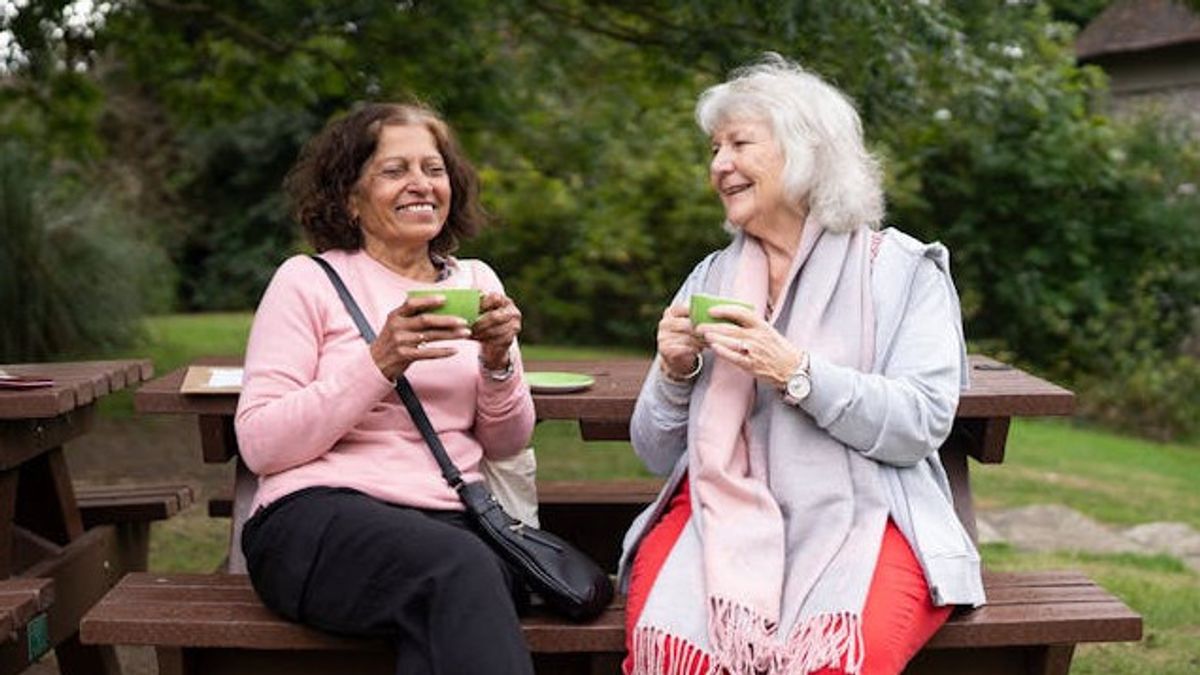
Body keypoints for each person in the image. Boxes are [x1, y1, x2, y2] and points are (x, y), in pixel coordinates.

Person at [619, 55, 984, 675]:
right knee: (678, 658)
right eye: (714, 149)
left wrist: (796, 371)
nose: (719, 165)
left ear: (805, 151)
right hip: (717, 520)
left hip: (870, 514)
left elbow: (920, 423)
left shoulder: (901, 271)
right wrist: (675, 371)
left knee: (831, 664)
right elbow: (657, 453)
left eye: (739, 144)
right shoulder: (711, 279)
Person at [234, 102, 536, 675]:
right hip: (317, 517)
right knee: (459, 573)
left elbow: (506, 442)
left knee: (457, 595)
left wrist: (498, 362)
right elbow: (261, 445)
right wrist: (379, 362)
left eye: (434, 168)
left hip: (452, 519)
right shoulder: (308, 281)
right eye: (395, 170)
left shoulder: (478, 281)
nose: (421, 183)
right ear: (349, 196)